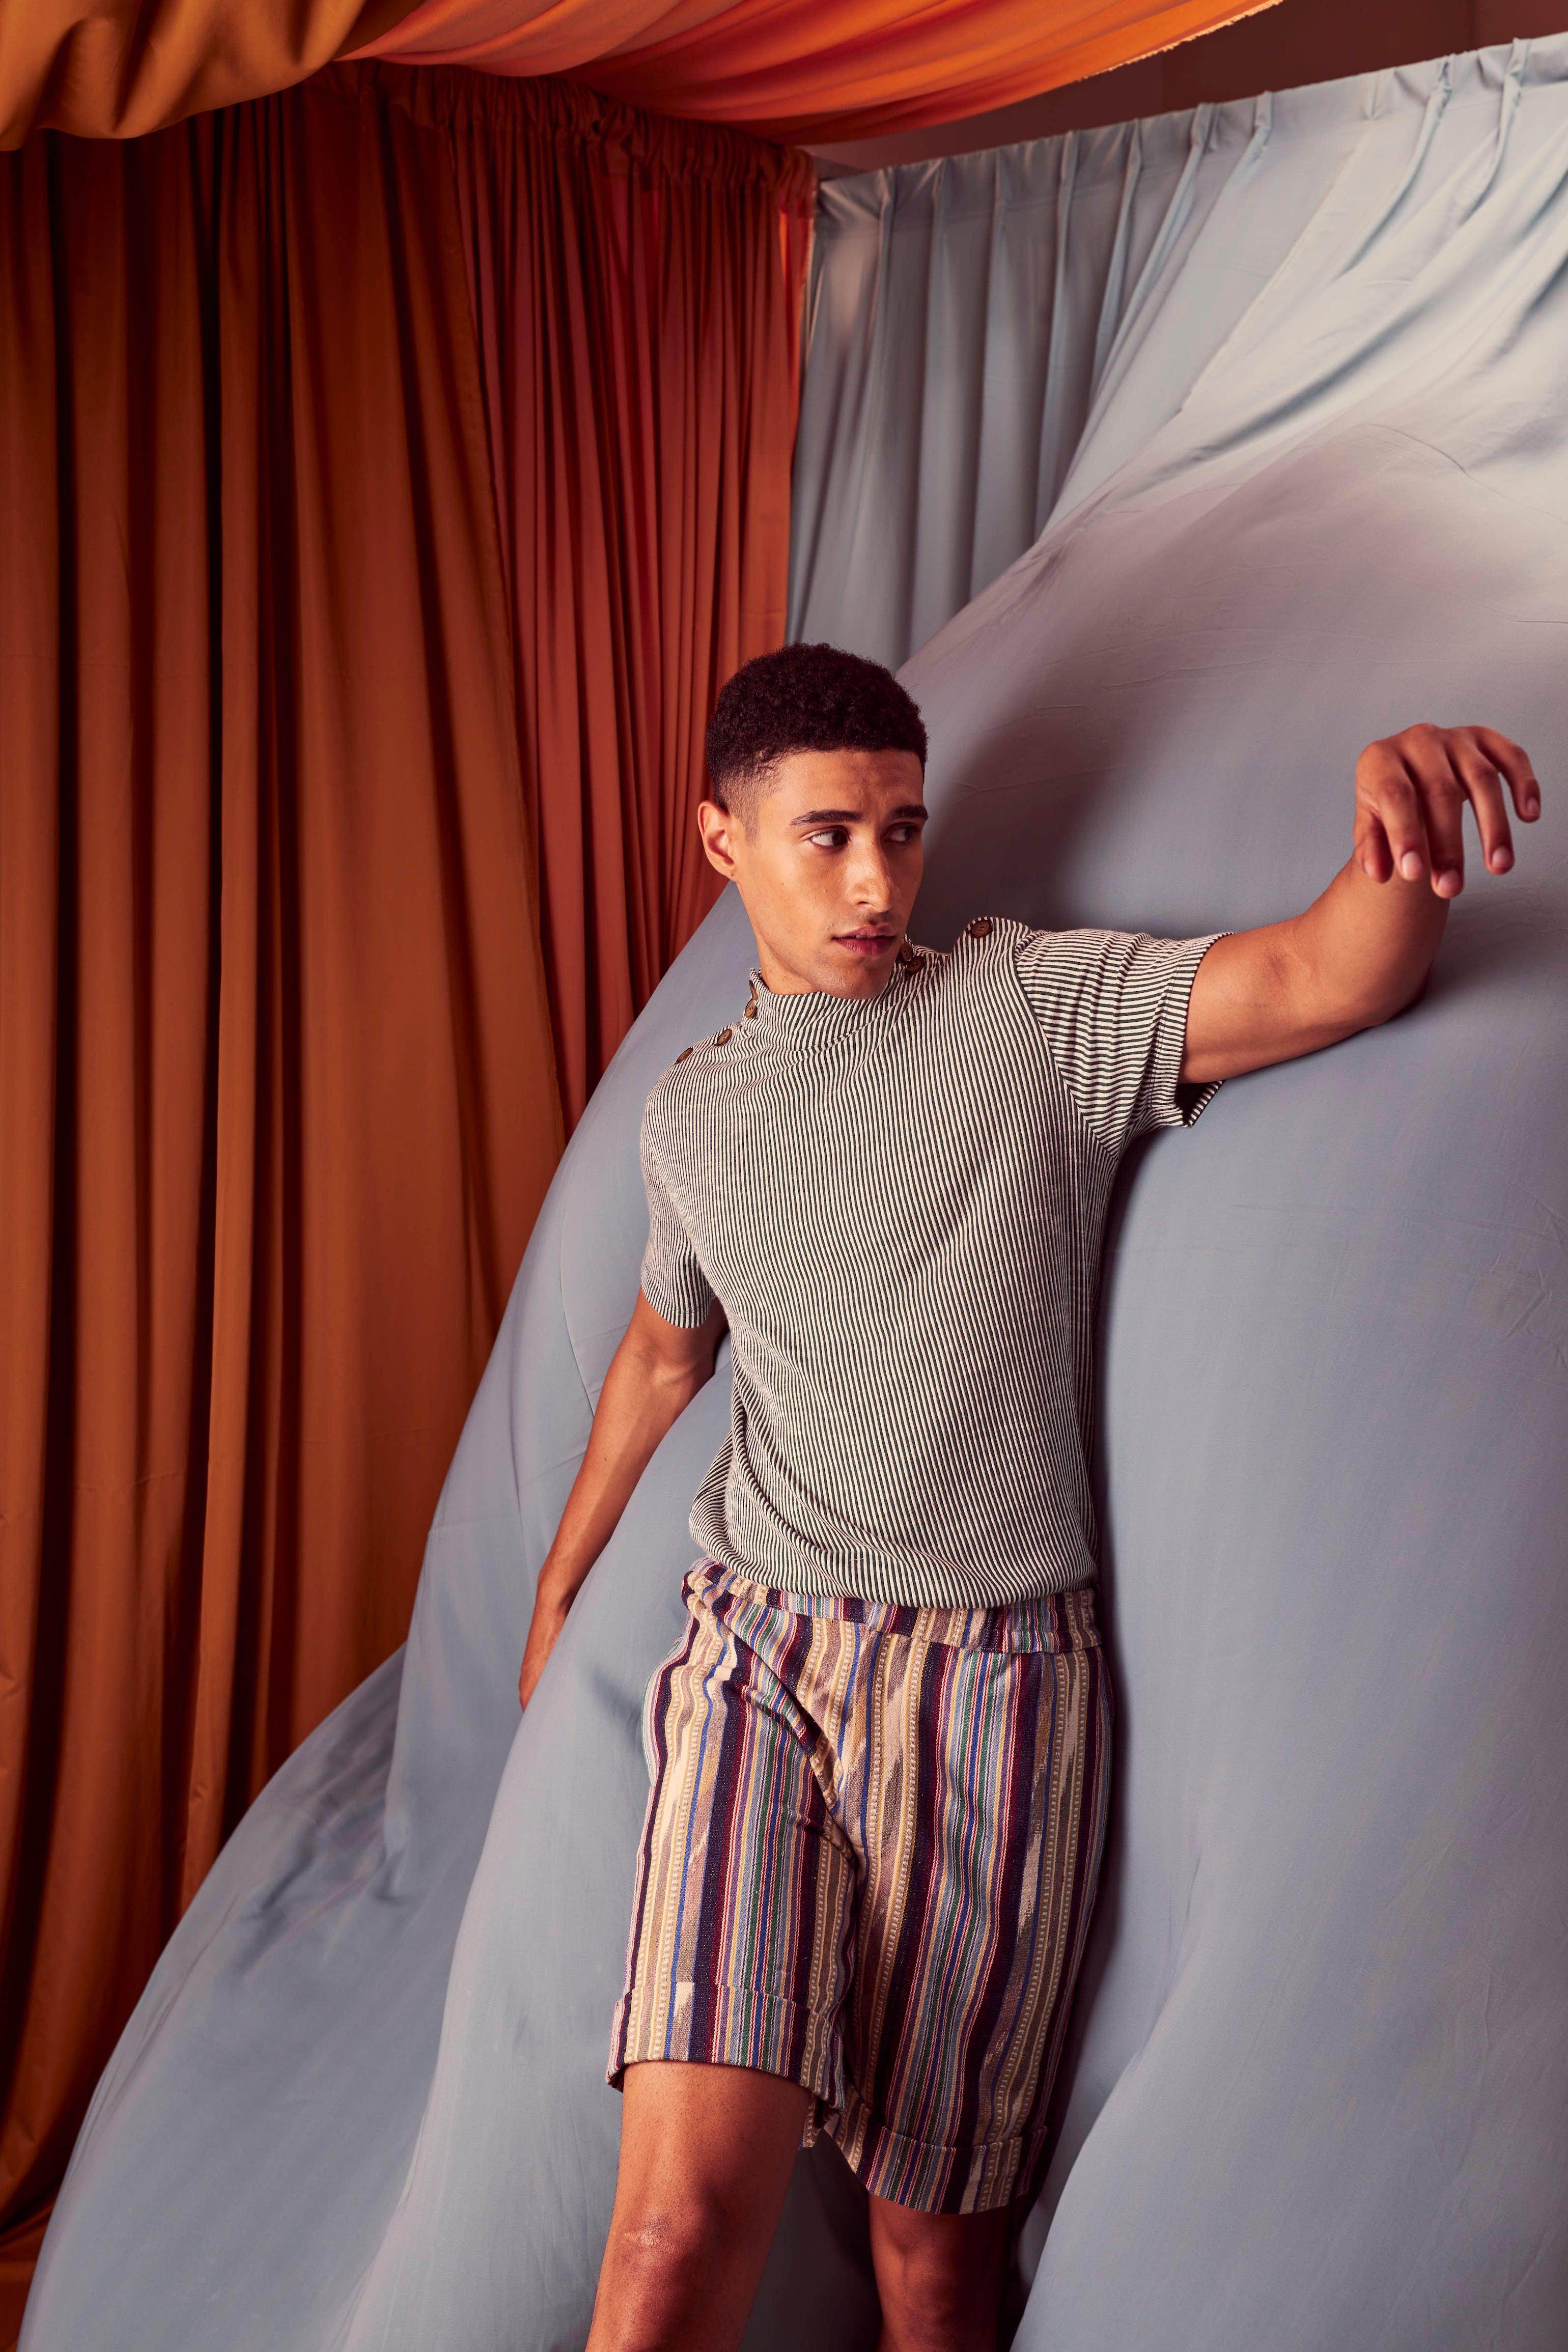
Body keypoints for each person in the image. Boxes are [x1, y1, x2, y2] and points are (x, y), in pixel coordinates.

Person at [515, 643, 1541, 2352]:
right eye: (829, 835)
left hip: (994, 1693)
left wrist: (1401, 830)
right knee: (670, 2239)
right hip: (759, 1663)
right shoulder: (691, 1118)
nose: (876, 880)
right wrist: (559, 1585)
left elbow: (1324, 975)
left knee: (933, 2272)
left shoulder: (1026, 1009)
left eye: (902, 832)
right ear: (722, 840)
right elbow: (660, 1357)